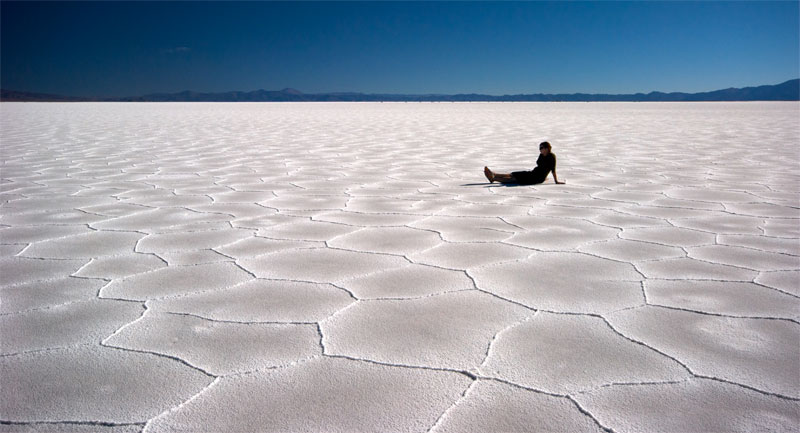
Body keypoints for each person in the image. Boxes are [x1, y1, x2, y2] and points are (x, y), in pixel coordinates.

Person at [484, 141, 565, 185]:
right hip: (533, 173)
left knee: (514, 179)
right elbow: (538, 163)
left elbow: (553, 170)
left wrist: (556, 181)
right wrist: (541, 155)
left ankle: (494, 178)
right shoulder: (542, 155)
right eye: (540, 148)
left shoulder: (551, 157)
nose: (540, 149)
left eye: (541, 148)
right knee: (514, 174)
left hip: (537, 178)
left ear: (547, 148)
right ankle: (494, 174)